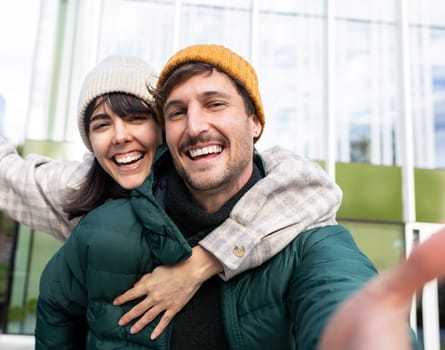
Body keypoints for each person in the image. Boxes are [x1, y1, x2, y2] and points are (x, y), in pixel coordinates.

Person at [0, 55, 342, 339]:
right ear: (89, 140)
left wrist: (199, 265)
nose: (120, 136)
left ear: (163, 125)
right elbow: (2, 171)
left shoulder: (211, 176)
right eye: (101, 125)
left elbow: (312, 189)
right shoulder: (78, 197)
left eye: (137, 117)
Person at [35, 44, 416, 349]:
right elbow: (56, 308)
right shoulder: (101, 226)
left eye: (215, 104)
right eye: (178, 112)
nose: (196, 126)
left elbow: (343, 298)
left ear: (255, 123)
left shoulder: (307, 239)